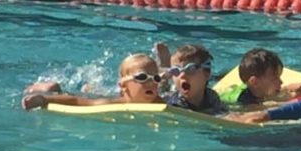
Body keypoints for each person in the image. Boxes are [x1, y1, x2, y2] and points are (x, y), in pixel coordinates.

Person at [21, 53, 163, 110]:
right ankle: (51, 89)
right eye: (142, 78)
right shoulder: (110, 104)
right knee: (64, 91)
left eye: (156, 79)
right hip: (93, 98)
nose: (151, 83)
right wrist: (43, 100)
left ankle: (89, 88)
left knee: (92, 90)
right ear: (123, 86)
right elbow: (76, 101)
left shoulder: (160, 102)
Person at [219, 47, 301, 106]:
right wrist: (289, 100)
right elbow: (262, 110)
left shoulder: (258, 89)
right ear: (255, 82)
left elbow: (283, 89)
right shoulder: (244, 101)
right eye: (275, 78)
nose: (280, 82)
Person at [154, 42, 225, 115]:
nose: (182, 75)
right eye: (175, 71)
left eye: (190, 69)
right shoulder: (173, 103)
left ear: (206, 74)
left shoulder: (211, 97)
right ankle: (163, 69)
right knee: (160, 90)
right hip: (167, 96)